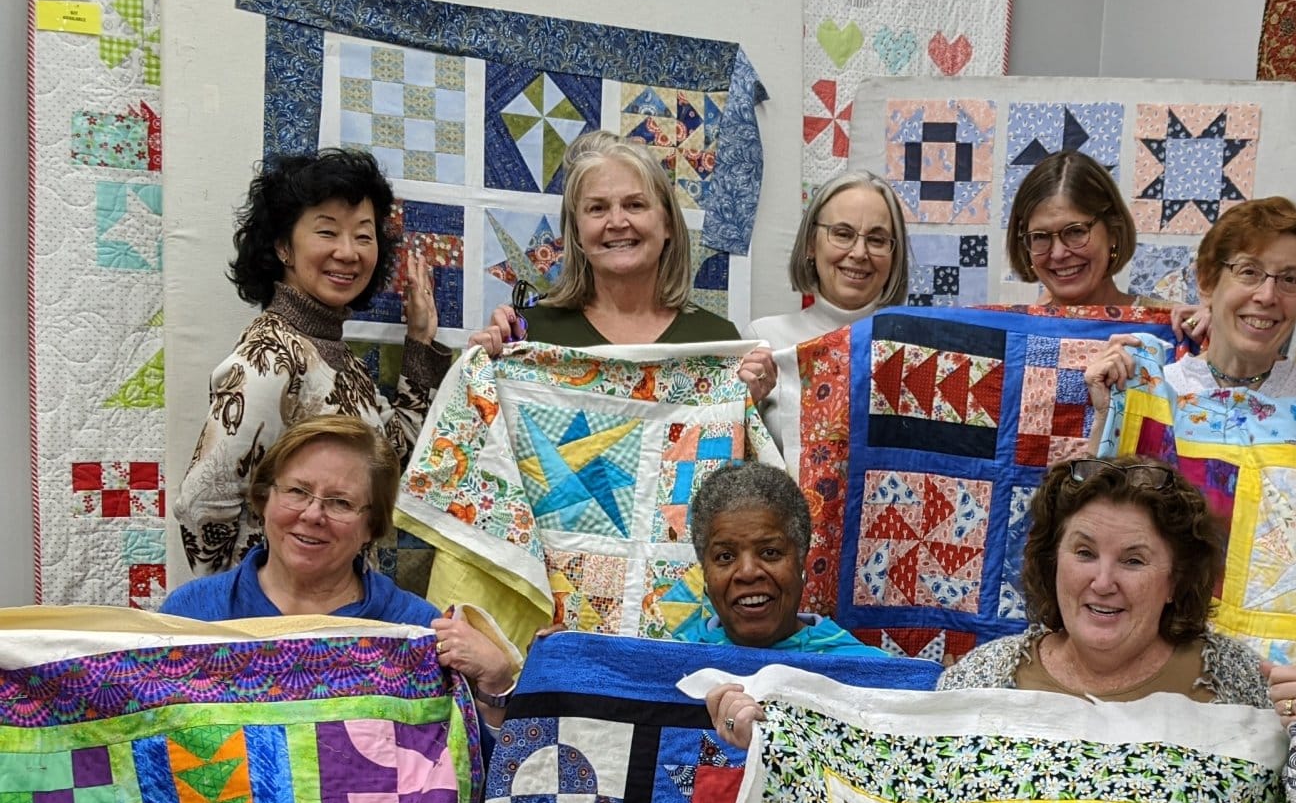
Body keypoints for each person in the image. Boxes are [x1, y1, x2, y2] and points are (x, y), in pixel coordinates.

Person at [176, 148, 448, 575]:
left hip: (337, 617)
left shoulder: (337, 357)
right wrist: (242, 606)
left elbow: (396, 459)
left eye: (363, 235)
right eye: (327, 232)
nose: (348, 252)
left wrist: (418, 342)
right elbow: (201, 503)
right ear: (284, 246)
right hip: (283, 630)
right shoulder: (271, 356)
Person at [163, 417, 519, 722]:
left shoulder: (415, 629)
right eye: (297, 491)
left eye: (341, 503)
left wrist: (496, 685)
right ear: (264, 500)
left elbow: (466, 778)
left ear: (371, 527)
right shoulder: (190, 618)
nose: (313, 515)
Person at [934, 455, 1296, 719]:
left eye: (1133, 560)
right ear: (1053, 561)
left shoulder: (1242, 685)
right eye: (1085, 553)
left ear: (1175, 582)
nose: (1104, 582)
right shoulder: (979, 680)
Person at [468, 133, 777, 401]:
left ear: (667, 223)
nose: (617, 222)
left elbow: (732, 466)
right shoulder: (528, 336)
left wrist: (748, 404)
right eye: (597, 208)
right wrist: (480, 369)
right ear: (576, 232)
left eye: (635, 205)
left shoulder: (718, 341)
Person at [1085, 196, 1296, 449]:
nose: (1267, 296)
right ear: (1207, 283)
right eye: (1249, 271)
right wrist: (1106, 422)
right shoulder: (1151, 395)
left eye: (1290, 279)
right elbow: (1103, 498)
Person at [691, 464, 887, 744]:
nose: (747, 572)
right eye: (724, 557)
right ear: (706, 576)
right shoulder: (671, 669)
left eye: (770, 552)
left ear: (801, 563)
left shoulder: (867, 673)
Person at [746, 171, 910, 455]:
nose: (859, 253)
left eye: (877, 239)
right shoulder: (764, 339)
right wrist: (743, 403)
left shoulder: (914, 344)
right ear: (811, 244)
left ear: (894, 255)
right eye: (843, 234)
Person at [1006, 150, 1206, 338]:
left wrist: (1220, 342)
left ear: (1113, 231)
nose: (1058, 253)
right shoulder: (1015, 334)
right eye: (1040, 236)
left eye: (1076, 231)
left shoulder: (1174, 329)